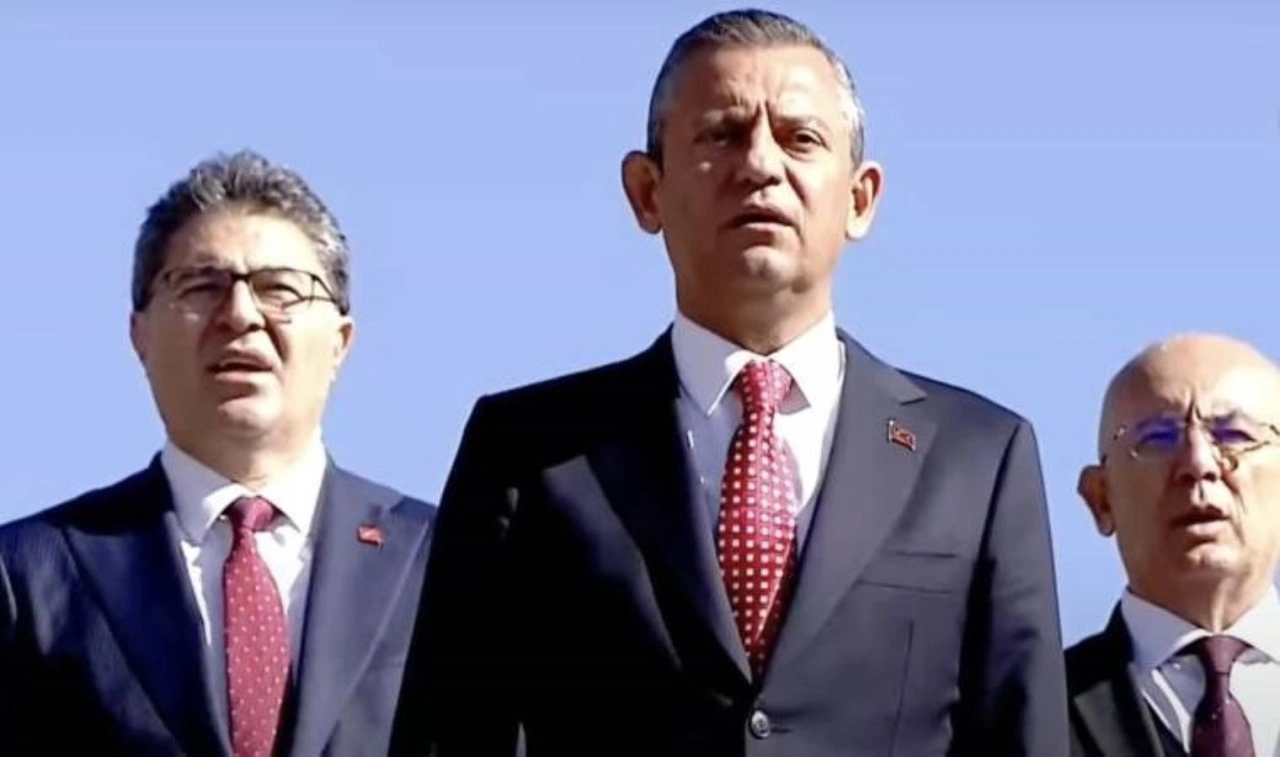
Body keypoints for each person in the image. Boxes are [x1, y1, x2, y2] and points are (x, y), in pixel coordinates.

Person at [391, 8, 1067, 757]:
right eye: (721, 135)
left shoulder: (977, 459)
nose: (761, 165)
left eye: (800, 138)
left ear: (861, 198)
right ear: (647, 191)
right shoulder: (532, 453)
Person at [0, 150, 435, 756]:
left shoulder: (442, 558)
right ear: (140, 336)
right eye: (202, 287)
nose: (240, 316)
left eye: (280, 289)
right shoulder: (28, 570)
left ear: (340, 341)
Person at [1068, 334, 1280, 757]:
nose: (1198, 464)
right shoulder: (1025, 714)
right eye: (1158, 439)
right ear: (1101, 500)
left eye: (1234, 435)